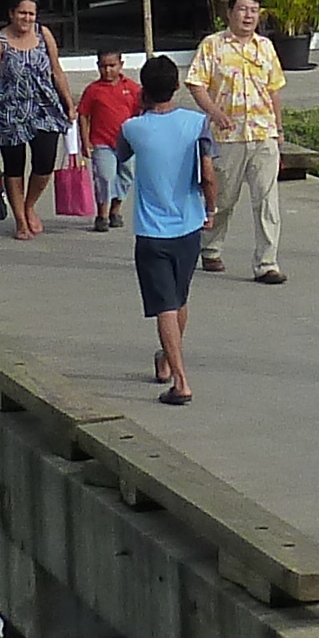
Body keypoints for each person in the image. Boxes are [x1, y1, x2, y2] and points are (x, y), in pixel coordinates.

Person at [120, 52, 216, 406]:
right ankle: (167, 358)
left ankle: (181, 381)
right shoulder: (197, 124)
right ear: (177, 87)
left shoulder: (133, 128)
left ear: (144, 89)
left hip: (151, 231)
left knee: (164, 305)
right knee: (179, 299)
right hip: (188, 226)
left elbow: (120, 155)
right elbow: (207, 174)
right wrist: (211, 209)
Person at [184, 0, 288, 282]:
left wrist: (278, 129)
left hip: (263, 133)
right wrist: (214, 112)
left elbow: (274, 90)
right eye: (242, 9)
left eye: (253, 10)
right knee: (224, 198)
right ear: (229, 13)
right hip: (226, 136)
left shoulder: (266, 47)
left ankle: (267, 263)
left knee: (267, 201)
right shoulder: (212, 46)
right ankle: (211, 249)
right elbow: (196, 83)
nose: (248, 16)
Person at [0, 0, 75, 240]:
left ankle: (29, 205)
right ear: (11, 13)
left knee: (45, 162)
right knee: (14, 166)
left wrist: (69, 103)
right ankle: (20, 219)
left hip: (44, 108)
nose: (27, 18)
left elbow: (57, 71)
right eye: (22, 13)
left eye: (31, 13)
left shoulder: (43, 34)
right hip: (8, 111)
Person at [76, 48, 139, 233]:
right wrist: (85, 141)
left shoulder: (133, 88)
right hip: (102, 142)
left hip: (127, 142)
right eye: (103, 66)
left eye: (112, 66)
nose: (108, 70)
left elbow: (139, 114)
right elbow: (84, 116)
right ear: (97, 66)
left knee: (126, 176)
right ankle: (101, 214)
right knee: (105, 177)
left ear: (121, 65)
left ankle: (115, 210)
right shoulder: (93, 90)